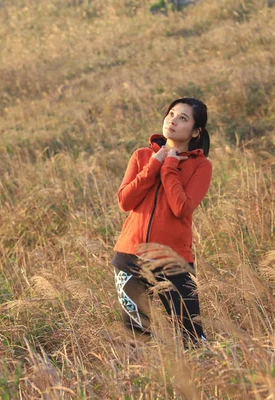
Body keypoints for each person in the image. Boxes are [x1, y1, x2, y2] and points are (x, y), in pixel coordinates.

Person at [111, 97, 211, 344]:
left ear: (196, 131)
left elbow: (182, 208)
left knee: (193, 336)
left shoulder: (201, 166)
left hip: (173, 261)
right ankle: (150, 381)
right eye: (171, 114)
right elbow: (125, 201)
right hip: (129, 257)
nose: (173, 120)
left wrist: (170, 167)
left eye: (183, 118)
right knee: (137, 337)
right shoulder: (141, 156)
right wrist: (154, 164)